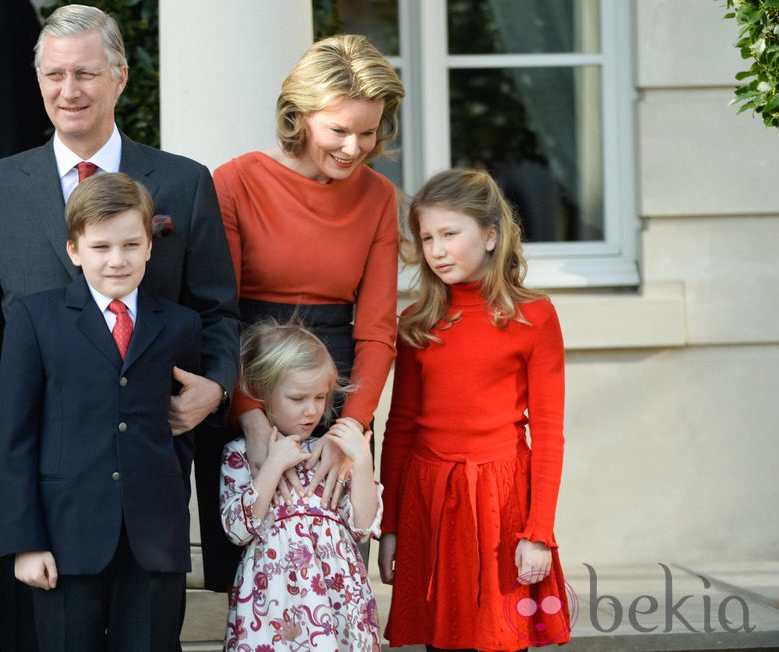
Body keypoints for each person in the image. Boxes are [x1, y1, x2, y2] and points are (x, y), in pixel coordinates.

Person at [0, 5, 239, 647]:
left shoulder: (184, 183)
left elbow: (217, 310)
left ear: (121, 77)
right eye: (54, 75)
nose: (68, 90)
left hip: (144, 477)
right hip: (36, 479)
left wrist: (215, 386)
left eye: (85, 73)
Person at [207, 33, 404, 590]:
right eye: (338, 130)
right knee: (251, 573)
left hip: (338, 389)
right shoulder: (236, 180)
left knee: (334, 573)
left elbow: (377, 330)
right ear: (299, 115)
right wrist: (249, 418)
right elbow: (219, 313)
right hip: (248, 378)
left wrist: (352, 428)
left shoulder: (379, 197)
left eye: (368, 132)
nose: (354, 147)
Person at [0, 172, 200, 650]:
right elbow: (14, 437)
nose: (117, 260)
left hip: (153, 543)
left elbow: (180, 433)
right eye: (101, 247)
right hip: (65, 540)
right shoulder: (34, 319)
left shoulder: (181, 326)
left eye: (131, 245)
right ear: (74, 249)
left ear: (150, 245)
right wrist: (25, 541)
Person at [378, 168, 571, 651]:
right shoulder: (417, 322)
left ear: (490, 235)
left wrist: (539, 532)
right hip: (429, 500)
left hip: (501, 503)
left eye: (449, 234)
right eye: (426, 238)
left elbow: (548, 432)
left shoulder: (534, 316)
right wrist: (391, 528)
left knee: (502, 637)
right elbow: (399, 427)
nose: (437, 250)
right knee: (439, 640)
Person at [220, 321, 383, 650]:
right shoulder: (240, 453)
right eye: (297, 398)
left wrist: (363, 463)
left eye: (320, 397)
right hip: (275, 604)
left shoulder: (330, 455)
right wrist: (273, 464)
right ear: (262, 392)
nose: (312, 410)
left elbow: (363, 527)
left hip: (338, 598)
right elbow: (237, 529)